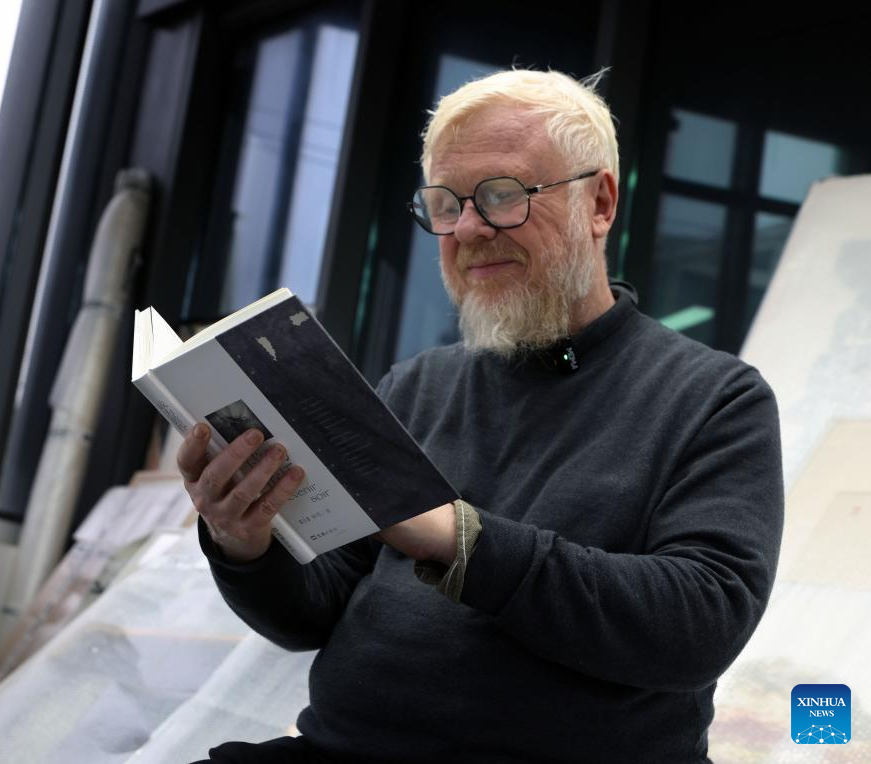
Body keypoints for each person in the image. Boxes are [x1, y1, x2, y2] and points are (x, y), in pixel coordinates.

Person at [178, 68, 784, 763]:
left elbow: (700, 626)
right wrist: (245, 543)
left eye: (502, 195)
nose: (467, 228)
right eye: (445, 203)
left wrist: (458, 538)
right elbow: (312, 615)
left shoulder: (715, 399)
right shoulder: (416, 385)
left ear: (599, 203)